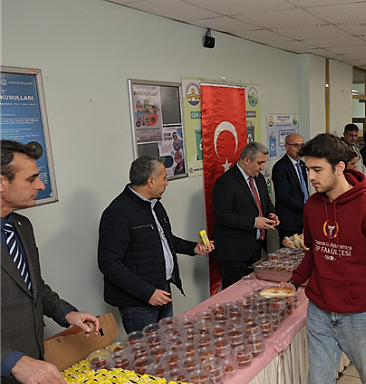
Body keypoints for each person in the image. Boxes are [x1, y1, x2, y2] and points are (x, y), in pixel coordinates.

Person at [285, 133, 366, 384]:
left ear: (339, 167)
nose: (311, 177)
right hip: (319, 311)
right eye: (308, 169)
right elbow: (315, 250)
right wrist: (294, 281)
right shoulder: (313, 205)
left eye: (318, 169)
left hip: (359, 316)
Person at [1, 140, 100, 384]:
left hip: (28, 378)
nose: (41, 186)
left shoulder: (21, 226)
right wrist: (14, 362)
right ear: (1, 183)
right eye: (32, 179)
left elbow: (34, 287)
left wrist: (67, 313)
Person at [98, 155, 214, 333]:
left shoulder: (154, 205)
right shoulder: (118, 212)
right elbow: (109, 263)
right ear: (151, 181)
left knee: (166, 347)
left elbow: (165, 239)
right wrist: (148, 293)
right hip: (140, 301)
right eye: (164, 178)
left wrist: (193, 248)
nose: (166, 183)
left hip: (162, 292)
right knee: (146, 355)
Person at [212, 142, 279, 289]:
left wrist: (271, 213)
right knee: (235, 293)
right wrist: (254, 222)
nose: (262, 167)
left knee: (252, 290)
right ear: (247, 160)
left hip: (254, 247)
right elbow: (223, 216)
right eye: (260, 163)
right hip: (234, 251)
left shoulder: (258, 178)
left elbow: (265, 201)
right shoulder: (226, 182)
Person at [272, 133, 308, 247]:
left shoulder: (302, 164)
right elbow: (285, 196)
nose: (300, 148)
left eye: (302, 145)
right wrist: (307, 207)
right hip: (289, 221)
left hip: (303, 218)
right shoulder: (280, 167)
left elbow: (303, 190)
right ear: (287, 147)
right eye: (296, 145)